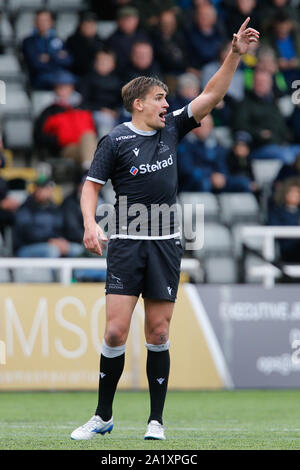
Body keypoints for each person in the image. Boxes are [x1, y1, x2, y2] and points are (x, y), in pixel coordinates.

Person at [70, 18, 259, 441]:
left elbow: (211, 95)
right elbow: (90, 188)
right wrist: (89, 224)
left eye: (166, 99)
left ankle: (156, 420)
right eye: (159, 98)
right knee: (116, 330)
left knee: (158, 331)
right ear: (138, 103)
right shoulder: (115, 141)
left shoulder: (172, 126)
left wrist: (234, 55)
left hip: (165, 243)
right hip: (125, 242)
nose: (165, 104)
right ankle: (103, 416)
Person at [34, 71, 97, 169]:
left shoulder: (83, 108)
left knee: (89, 137)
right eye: (60, 88)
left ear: (71, 88)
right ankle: (90, 174)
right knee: (91, 147)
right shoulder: (50, 111)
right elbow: (39, 136)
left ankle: (87, 172)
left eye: (66, 87)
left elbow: (94, 130)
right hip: (66, 149)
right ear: (55, 89)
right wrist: (58, 139)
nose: (63, 91)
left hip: (87, 145)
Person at [13, 176, 84, 258]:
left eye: (49, 189)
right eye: (43, 188)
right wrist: (48, 241)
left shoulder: (54, 208)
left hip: (52, 244)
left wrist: (61, 240)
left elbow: (61, 228)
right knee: (52, 251)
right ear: (36, 189)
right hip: (26, 247)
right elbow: (27, 233)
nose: (47, 192)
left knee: (78, 250)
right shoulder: (26, 208)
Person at [22, 9, 73, 90]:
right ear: (35, 23)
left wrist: (49, 57)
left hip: (59, 76)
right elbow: (36, 64)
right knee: (64, 81)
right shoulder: (28, 42)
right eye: (39, 20)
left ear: (51, 22)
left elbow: (68, 61)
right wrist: (57, 56)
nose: (42, 23)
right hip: (40, 78)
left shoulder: (58, 40)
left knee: (75, 80)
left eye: (45, 20)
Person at [80, 49, 122, 138]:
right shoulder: (88, 79)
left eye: (106, 61)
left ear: (113, 65)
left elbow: (121, 100)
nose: (103, 63)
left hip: (114, 113)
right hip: (95, 113)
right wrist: (101, 109)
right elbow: (84, 103)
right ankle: (105, 149)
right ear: (95, 63)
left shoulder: (117, 81)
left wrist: (117, 110)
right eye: (100, 61)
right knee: (105, 119)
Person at [66, 11, 103, 77]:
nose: (89, 27)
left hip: (96, 75)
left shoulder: (100, 41)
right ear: (81, 25)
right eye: (86, 24)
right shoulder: (72, 40)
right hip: (77, 74)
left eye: (92, 24)